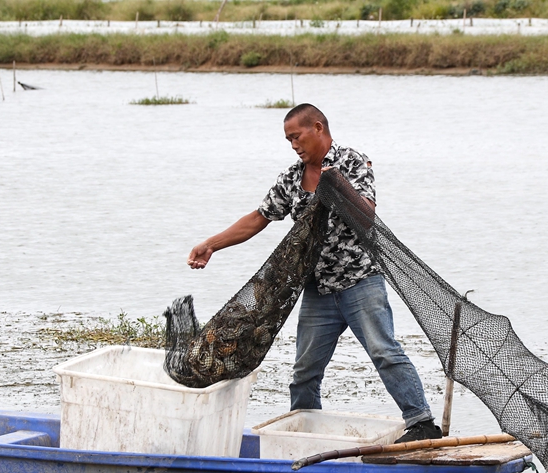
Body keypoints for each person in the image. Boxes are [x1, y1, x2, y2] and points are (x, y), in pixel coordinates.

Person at [187, 104, 441, 443]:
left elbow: (367, 216)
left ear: (318, 128)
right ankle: (304, 435)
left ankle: (421, 423)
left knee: (384, 351)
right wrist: (212, 245)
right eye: (288, 139)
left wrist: (334, 184)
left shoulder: (352, 163)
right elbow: (259, 217)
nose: (293, 144)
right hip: (318, 291)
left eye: (297, 136)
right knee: (305, 371)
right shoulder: (292, 178)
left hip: (360, 282)